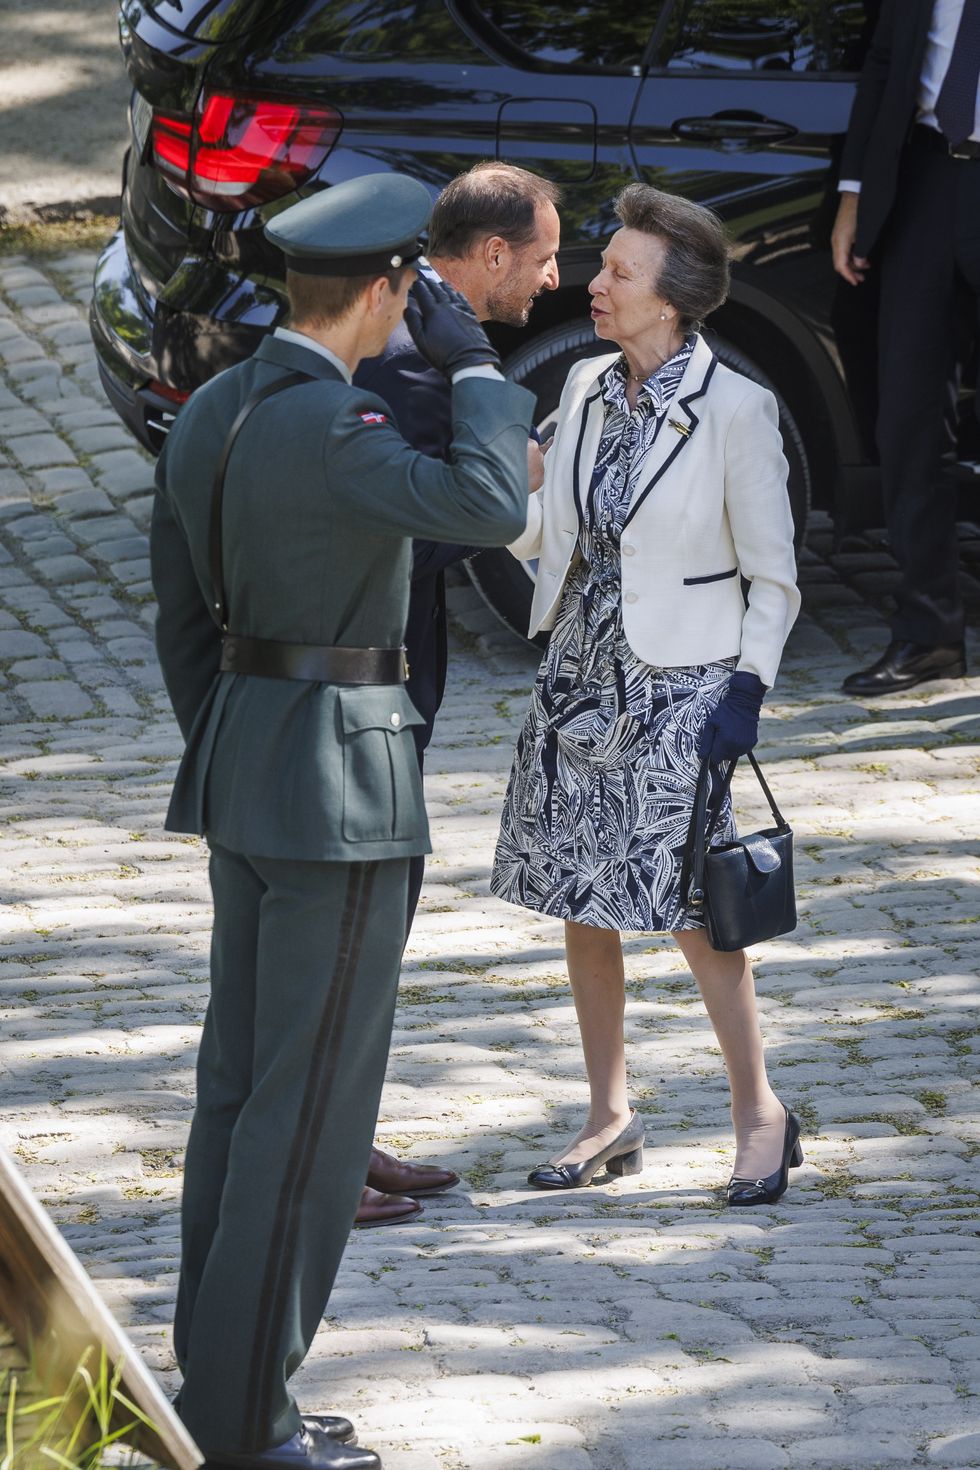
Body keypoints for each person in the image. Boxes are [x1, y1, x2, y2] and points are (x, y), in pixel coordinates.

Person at [150, 172, 534, 1469]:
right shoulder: (341, 421)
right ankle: (245, 1423)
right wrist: (476, 369)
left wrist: (237, 746)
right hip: (342, 797)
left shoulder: (216, 408)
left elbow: (181, 618)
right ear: (385, 291)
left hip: (248, 773)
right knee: (308, 1114)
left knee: (238, 1094)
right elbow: (488, 505)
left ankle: (219, 1386)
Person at [491, 184, 804, 1209]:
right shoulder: (584, 386)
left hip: (684, 692)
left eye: (619, 272)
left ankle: (759, 1115)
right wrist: (505, 490)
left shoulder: (738, 410)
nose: (595, 283)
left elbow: (774, 580)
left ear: (669, 299)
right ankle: (607, 1115)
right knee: (580, 901)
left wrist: (746, 691)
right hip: (579, 679)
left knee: (697, 915)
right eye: (602, 266)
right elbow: (548, 535)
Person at [352, 161, 560, 1226]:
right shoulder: (407, 357)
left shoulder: (424, 335)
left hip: (394, 696)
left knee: (373, 930)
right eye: (544, 257)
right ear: (492, 253)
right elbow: (377, 533)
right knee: (349, 935)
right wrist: (501, 483)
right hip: (356, 701)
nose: (554, 279)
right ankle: (322, 1162)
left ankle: (344, 1135)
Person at [832, 0, 978, 694]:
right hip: (924, 182)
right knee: (910, 419)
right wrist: (854, 194)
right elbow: (885, 61)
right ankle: (930, 634)